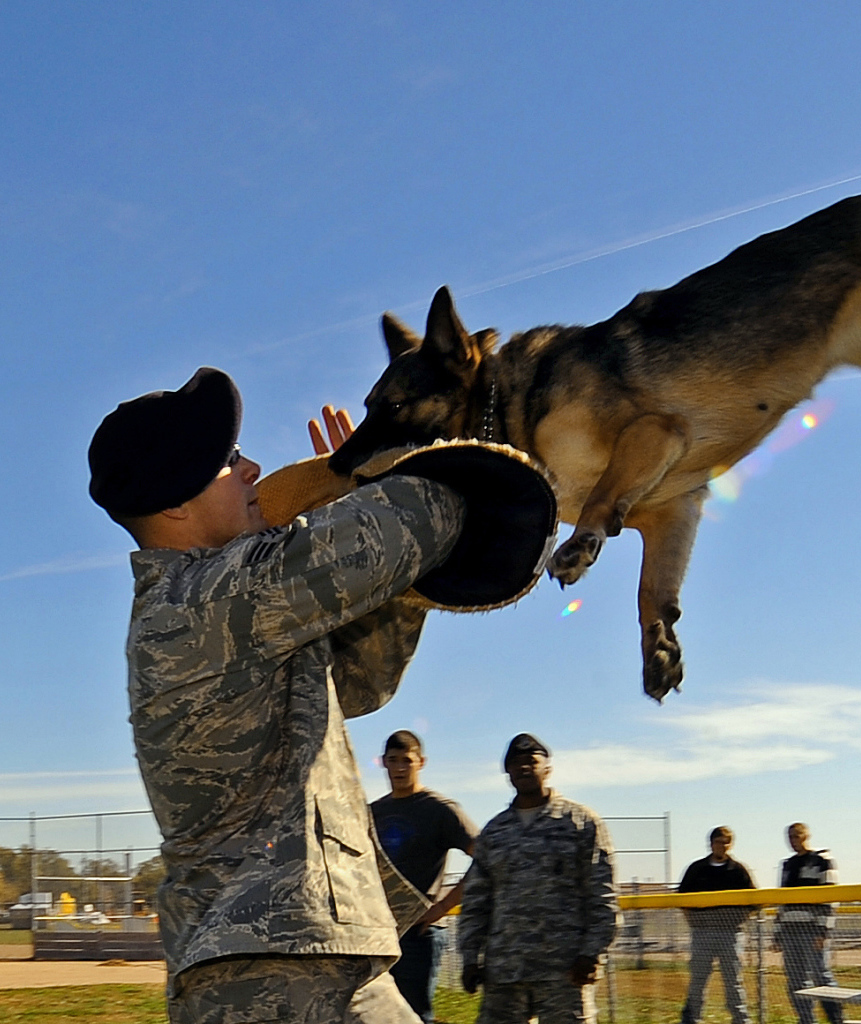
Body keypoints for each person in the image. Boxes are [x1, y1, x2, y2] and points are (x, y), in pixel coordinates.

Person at [89, 372, 554, 1023]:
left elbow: (362, 682)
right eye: (228, 461)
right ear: (175, 501)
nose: (252, 468)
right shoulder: (208, 598)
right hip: (268, 971)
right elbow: (422, 517)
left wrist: (366, 498)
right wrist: (400, 464)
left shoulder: (230, 603)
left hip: (313, 959)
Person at [458, 734, 618, 1024]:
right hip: (505, 971)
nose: (524, 768)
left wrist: (592, 953)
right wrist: (470, 958)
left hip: (565, 970)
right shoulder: (494, 832)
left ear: (548, 768)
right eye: (516, 764)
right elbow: (476, 901)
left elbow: (602, 894)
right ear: (507, 773)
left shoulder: (580, 822)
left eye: (532, 762)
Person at [371, 730, 479, 1023]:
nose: (399, 768)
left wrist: (442, 907)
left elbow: (485, 858)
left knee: (415, 1016)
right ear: (383, 763)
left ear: (421, 762)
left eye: (407, 760)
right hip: (378, 932)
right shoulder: (373, 813)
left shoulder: (439, 810)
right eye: (393, 760)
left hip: (419, 933)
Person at [677, 826, 758, 1024]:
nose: (722, 846)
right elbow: (682, 900)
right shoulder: (696, 869)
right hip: (702, 934)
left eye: (726, 842)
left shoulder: (738, 870)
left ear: (731, 844)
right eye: (718, 842)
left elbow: (755, 901)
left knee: (733, 981)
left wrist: (735, 921)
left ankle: (740, 1019)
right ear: (711, 844)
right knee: (698, 980)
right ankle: (692, 1019)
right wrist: (695, 922)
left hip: (730, 935)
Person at [775, 823, 840, 1024]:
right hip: (789, 930)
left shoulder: (822, 861)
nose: (794, 841)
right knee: (795, 980)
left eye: (797, 836)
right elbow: (782, 899)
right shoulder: (787, 864)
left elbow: (830, 897)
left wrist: (823, 931)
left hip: (812, 930)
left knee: (822, 976)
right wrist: (777, 932)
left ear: (807, 836)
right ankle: (806, 1020)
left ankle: (836, 1019)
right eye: (790, 837)